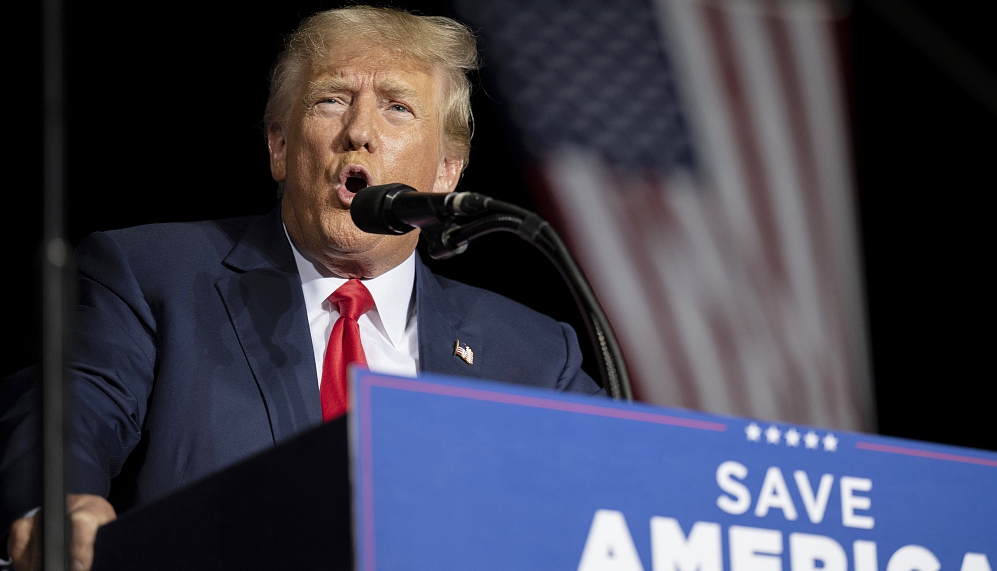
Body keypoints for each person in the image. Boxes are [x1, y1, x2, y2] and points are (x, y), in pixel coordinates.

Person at [1, 6, 603, 570]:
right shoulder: (154, 275)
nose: (359, 131)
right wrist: (57, 504)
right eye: (331, 100)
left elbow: (620, 494)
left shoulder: (535, 356)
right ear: (280, 148)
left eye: (397, 107)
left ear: (447, 170)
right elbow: (73, 407)